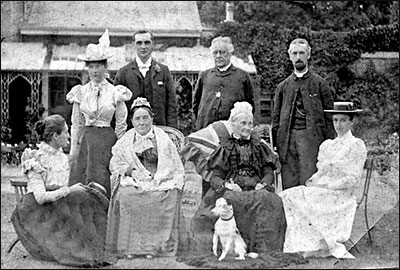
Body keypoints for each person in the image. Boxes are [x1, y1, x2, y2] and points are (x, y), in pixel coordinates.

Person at [186, 101, 286, 256]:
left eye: (250, 123)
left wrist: (263, 183)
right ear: (233, 123)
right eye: (243, 123)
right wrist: (226, 185)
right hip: (233, 187)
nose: (247, 127)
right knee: (228, 200)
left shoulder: (260, 146)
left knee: (271, 200)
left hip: (256, 187)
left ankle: (262, 250)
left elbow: (268, 171)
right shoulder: (225, 147)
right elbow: (216, 176)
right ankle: (227, 250)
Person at [11, 114, 110, 267]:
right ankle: (88, 252)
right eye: (66, 132)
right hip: (39, 211)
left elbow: (65, 187)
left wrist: (74, 190)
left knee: (89, 198)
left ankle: (101, 248)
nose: (69, 136)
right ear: (56, 136)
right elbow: (41, 198)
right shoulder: (35, 159)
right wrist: (70, 190)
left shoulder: (63, 158)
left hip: (60, 205)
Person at [278, 101, 367, 259]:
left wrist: (326, 185)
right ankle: (305, 243)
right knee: (287, 195)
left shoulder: (356, 145)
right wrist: (313, 180)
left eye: (343, 120)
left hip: (341, 196)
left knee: (294, 196)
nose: (338, 125)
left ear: (351, 122)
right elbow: (321, 173)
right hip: (322, 190)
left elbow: (352, 179)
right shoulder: (328, 145)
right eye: (335, 120)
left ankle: (317, 245)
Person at [105, 97, 185, 260]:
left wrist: (159, 177)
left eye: (145, 118)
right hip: (134, 180)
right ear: (132, 121)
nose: (141, 123)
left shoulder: (162, 138)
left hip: (159, 179)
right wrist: (129, 170)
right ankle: (129, 246)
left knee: (161, 197)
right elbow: (115, 163)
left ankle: (154, 246)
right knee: (128, 196)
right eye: (137, 119)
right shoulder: (126, 140)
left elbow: (172, 163)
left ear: (152, 119)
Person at [66, 29, 132, 199]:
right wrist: (74, 150)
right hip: (86, 142)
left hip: (106, 142)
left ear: (105, 67)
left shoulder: (115, 92)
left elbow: (121, 125)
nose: (95, 71)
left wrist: (119, 150)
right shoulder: (80, 92)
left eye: (98, 66)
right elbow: (77, 123)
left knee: (103, 183)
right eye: (91, 66)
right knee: (82, 184)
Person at [272, 38, 335, 190]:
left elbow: (329, 118)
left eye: (302, 53)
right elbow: (275, 120)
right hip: (287, 143)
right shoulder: (283, 87)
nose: (298, 57)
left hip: (311, 141)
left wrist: (329, 146)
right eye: (295, 53)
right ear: (289, 56)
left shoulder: (320, 84)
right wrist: (275, 147)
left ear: (309, 55)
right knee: (289, 186)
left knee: (310, 184)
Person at [114, 29, 178, 129]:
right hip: (132, 131)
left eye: (147, 43)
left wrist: (171, 131)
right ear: (133, 45)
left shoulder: (163, 71)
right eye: (139, 43)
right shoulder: (124, 72)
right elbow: (116, 105)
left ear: (153, 44)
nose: (143, 47)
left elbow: (171, 106)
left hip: (159, 129)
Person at [192, 36, 257, 131]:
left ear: (230, 54)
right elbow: (196, 104)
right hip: (206, 130)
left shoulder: (243, 76)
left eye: (222, 52)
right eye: (215, 53)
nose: (218, 56)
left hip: (233, 131)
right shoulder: (205, 75)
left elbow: (250, 105)